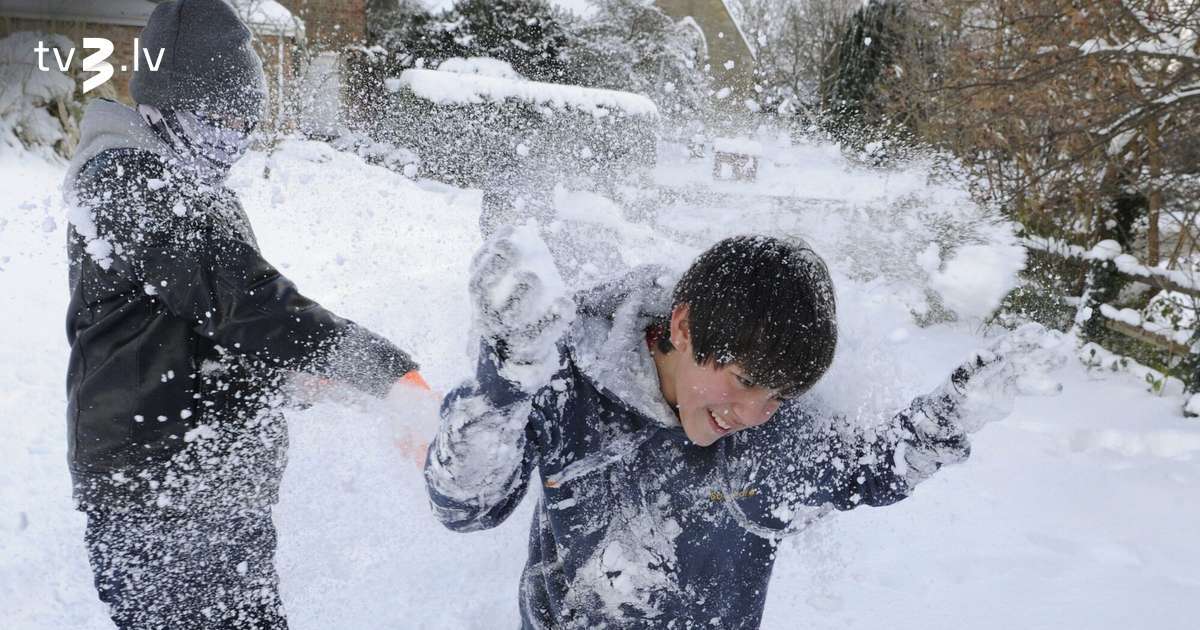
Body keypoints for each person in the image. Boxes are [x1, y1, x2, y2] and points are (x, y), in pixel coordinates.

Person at [425, 230, 1056, 628]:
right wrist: (506, 377)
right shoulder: (568, 378)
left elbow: (865, 470)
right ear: (681, 327)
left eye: (779, 395)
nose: (754, 412)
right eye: (745, 381)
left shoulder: (771, 433)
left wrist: (951, 414)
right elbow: (466, 507)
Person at [63, 1, 422, 627]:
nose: (228, 140)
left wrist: (290, 377)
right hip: (158, 492)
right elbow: (244, 302)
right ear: (162, 103)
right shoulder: (124, 180)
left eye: (241, 125)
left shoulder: (196, 191)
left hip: (219, 490)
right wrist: (382, 371)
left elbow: (207, 334)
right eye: (213, 119)